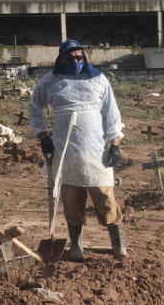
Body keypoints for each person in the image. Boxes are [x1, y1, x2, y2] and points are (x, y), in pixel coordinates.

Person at [29, 39, 126, 261]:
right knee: (71, 201)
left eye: (79, 56)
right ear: (61, 59)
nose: (75, 60)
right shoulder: (50, 81)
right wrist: (43, 136)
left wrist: (115, 144)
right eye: (70, 57)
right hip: (66, 152)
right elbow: (34, 107)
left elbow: (112, 114)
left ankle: (118, 242)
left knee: (105, 198)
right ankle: (76, 244)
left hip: (96, 151)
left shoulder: (98, 80)